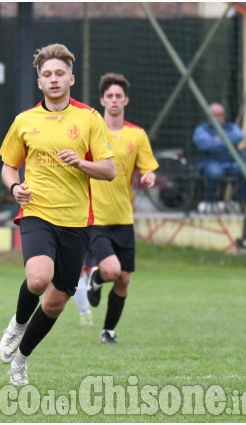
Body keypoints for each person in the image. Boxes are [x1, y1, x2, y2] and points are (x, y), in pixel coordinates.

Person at [0, 43, 115, 386]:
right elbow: (8, 166)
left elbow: (108, 170)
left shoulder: (89, 118)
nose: (53, 79)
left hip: (76, 221)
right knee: (37, 278)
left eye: (59, 74)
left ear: (71, 79)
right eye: (46, 75)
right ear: (39, 83)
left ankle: (21, 360)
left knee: (55, 303)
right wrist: (13, 187)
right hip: (37, 212)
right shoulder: (25, 121)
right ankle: (16, 325)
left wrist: (81, 163)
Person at [85, 73, 159, 344]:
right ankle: (97, 275)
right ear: (102, 100)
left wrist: (149, 176)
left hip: (124, 217)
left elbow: (148, 167)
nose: (114, 100)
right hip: (96, 217)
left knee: (124, 279)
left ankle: (108, 330)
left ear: (125, 100)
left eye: (119, 96)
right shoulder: (92, 131)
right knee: (113, 270)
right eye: (110, 96)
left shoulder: (136, 135)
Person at [192, 103, 246, 213]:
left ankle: (236, 201)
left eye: (220, 115)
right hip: (210, 164)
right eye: (214, 115)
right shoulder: (201, 129)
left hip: (231, 165)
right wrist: (226, 142)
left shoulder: (230, 126)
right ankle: (211, 202)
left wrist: (219, 140)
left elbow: (239, 136)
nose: (218, 118)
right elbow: (204, 144)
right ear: (208, 116)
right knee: (215, 173)